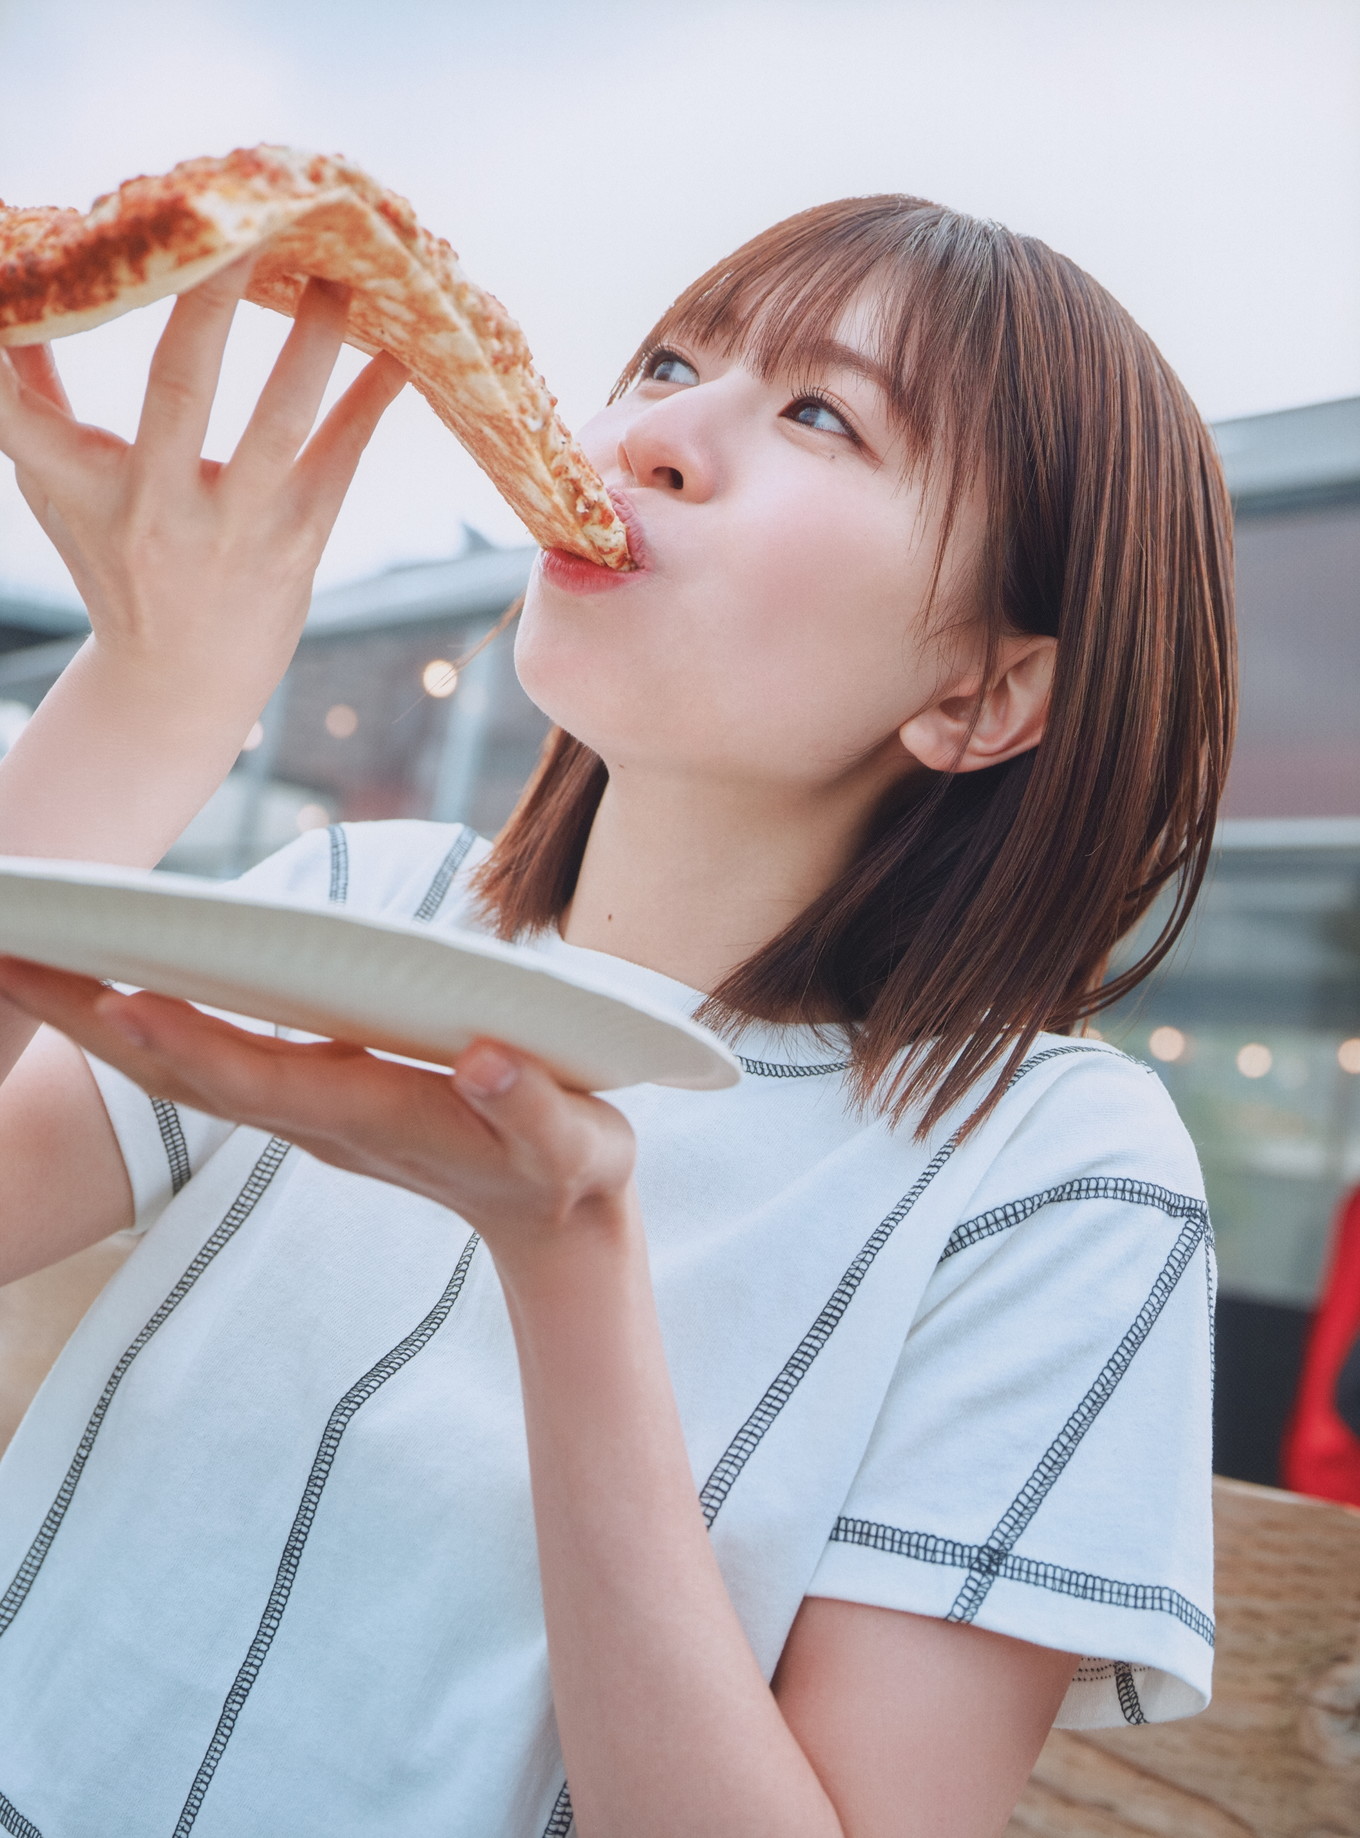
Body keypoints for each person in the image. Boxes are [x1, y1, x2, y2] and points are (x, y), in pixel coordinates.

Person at [0, 196, 1232, 1838]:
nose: (655, 431)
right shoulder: (364, 899)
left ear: (981, 692)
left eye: (818, 413)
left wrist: (565, 1253)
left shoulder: (1050, 1171)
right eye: (668, 359)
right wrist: (154, 692)